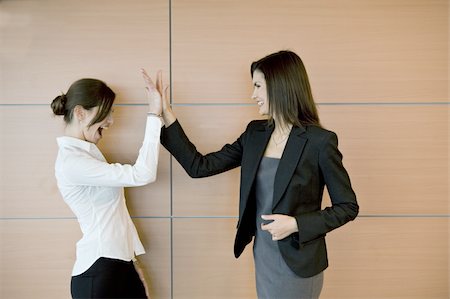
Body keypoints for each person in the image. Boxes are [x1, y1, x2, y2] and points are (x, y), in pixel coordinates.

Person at [159, 50, 359, 299]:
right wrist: (167, 115)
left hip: (299, 261)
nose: (252, 95)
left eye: (257, 86)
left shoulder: (319, 141)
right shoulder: (255, 134)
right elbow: (199, 167)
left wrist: (296, 224)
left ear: (279, 86)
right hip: (264, 254)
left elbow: (347, 206)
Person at [51, 69, 163, 299]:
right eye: (106, 113)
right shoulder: (72, 162)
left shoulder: (87, 156)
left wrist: (131, 264)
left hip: (116, 266)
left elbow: (113, 213)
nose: (111, 121)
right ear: (80, 113)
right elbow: (143, 174)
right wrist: (154, 115)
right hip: (98, 274)